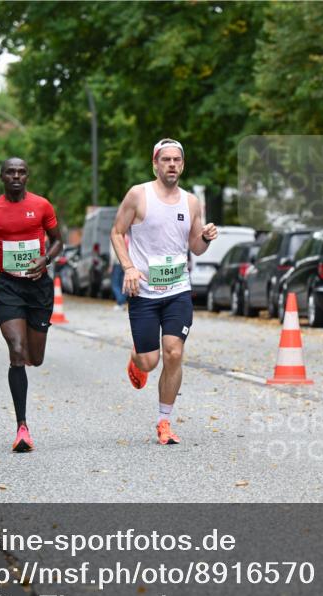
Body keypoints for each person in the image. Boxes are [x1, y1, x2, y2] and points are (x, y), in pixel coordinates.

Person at [111, 138, 218, 445]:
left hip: (177, 291)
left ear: (182, 165)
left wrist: (206, 237)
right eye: (166, 159)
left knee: (174, 352)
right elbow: (117, 232)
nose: (172, 164)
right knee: (150, 361)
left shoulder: (191, 202)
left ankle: (164, 421)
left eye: (177, 160)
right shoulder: (138, 195)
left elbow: (195, 247)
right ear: (155, 164)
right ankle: (137, 358)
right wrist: (129, 267)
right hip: (144, 292)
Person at [0, 157, 63, 453]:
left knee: (34, 358)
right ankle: (22, 427)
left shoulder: (42, 206)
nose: (15, 176)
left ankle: (28, 363)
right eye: (10, 172)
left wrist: (45, 259)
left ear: (27, 176)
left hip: (38, 287)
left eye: (21, 172)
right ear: (1, 176)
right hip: (7, 286)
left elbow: (58, 242)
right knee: (17, 350)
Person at [109, 235, 127, 311]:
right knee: (122, 284)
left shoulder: (115, 236)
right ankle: (122, 303)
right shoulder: (127, 236)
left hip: (117, 263)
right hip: (126, 263)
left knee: (115, 284)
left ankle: (120, 302)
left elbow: (113, 252)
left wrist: (111, 265)